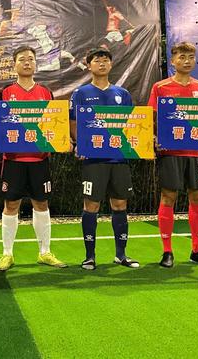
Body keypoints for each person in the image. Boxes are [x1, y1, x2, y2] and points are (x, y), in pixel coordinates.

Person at [0, 45, 67, 271]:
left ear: (36, 63)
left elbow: (53, 124)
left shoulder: (45, 92)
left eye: (31, 59)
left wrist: (60, 140)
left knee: (41, 203)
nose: (27, 62)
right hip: (13, 161)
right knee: (11, 204)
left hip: (39, 160)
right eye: (22, 59)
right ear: (14, 64)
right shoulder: (5, 92)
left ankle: (45, 252)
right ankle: (7, 254)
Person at [147, 41, 198, 268]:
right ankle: (167, 251)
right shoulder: (161, 87)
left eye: (190, 57)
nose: (186, 61)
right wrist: (154, 138)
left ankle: (197, 250)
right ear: (173, 60)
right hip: (171, 152)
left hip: (197, 151)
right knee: (168, 197)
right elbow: (152, 118)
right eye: (182, 57)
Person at [69, 48, 139, 270]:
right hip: (93, 160)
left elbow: (131, 124)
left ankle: (121, 255)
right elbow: (73, 122)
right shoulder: (80, 93)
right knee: (91, 205)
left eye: (106, 60)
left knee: (120, 204)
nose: (102, 63)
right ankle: (89, 256)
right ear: (89, 65)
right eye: (97, 60)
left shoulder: (122, 93)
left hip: (119, 159)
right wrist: (81, 144)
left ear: (111, 65)